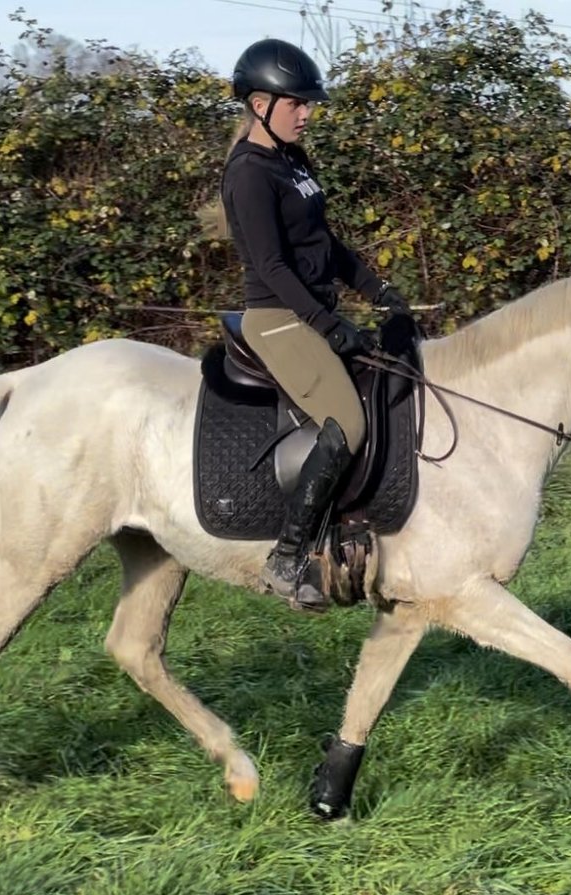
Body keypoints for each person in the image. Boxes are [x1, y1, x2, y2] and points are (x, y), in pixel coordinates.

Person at [220, 38, 411, 612]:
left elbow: (324, 243)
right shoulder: (248, 174)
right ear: (259, 105)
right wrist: (326, 324)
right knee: (347, 421)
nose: (307, 113)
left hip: (310, 309)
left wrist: (376, 288)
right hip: (277, 318)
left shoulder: (292, 160)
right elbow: (274, 267)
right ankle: (287, 556)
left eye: (308, 104)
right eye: (296, 104)